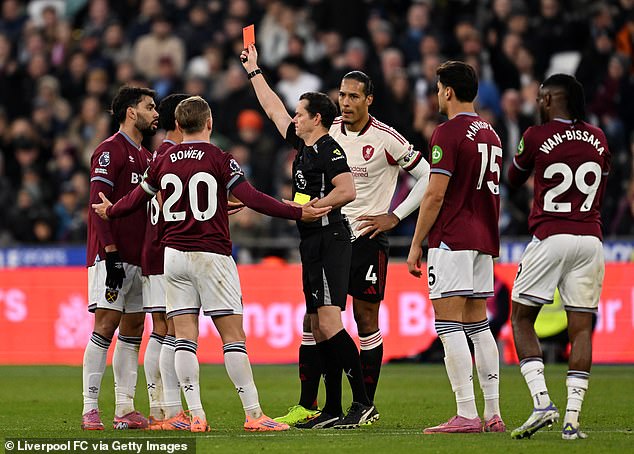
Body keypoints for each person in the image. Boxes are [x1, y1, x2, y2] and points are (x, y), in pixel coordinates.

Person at [93, 95, 329, 432]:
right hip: (211, 254)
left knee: (183, 337)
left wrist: (111, 210)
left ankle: (195, 415)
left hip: (173, 257)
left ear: (179, 124)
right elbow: (251, 197)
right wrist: (297, 211)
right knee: (233, 336)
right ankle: (253, 414)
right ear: (209, 123)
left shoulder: (163, 159)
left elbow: (136, 198)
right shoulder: (220, 158)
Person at [274, 70, 430, 426]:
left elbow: (427, 175)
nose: (345, 102)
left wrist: (395, 215)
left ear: (368, 100)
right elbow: (278, 117)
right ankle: (312, 404)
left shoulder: (386, 138)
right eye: (342, 95)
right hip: (329, 235)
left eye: (353, 96)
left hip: (366, 238)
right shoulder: (325, 132)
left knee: (364, 319)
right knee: (316, 319)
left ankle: (364, 404)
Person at [240, 44, 379, 429]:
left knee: (330, 323)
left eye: (300, 114)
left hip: (330, 239)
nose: (294, 118)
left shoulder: (328, 150)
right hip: (311, 241)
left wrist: (315, 206)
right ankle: (332, 407)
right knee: (317, 326)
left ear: (316, 118)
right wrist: (254, 70)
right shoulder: (305, 144)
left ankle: (363, 402)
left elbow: (348, 190)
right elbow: (272, 109)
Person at [507, 74, 610, 440]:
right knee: (581, 329)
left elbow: (513, 178)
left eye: (540, 98)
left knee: (521, 318)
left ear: (549, 100)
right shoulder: (598, 137)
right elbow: (603, 182)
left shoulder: (536, 135)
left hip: (551, 235)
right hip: (591, 238)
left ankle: (541, 403)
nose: (537, 103)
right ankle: (572, 422)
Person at [407, 61, 505, 434]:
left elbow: (434, 194)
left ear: (447, 91)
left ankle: (466, 412)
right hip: (483, 238)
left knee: (449, 325)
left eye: (437, 89)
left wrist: (416, 243)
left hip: (452, 238)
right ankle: (492, 413)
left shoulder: (447, 132)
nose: (436, 95)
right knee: (479, 326)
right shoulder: (491, 133)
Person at [81, 86, 158, 430]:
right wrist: (110, 252)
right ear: (131, 112)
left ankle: (124, 408)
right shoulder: (109, 151)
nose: (156, 114)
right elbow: (97, 206)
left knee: (134, 327)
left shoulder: (147, 157)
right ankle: (89, 409)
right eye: (150, 107)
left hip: (139, 257)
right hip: (111, 255)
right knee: (106, 324)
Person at [140, 93, 190, 430]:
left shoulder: (159, 153)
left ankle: (160, 410)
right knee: (169, 329)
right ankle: (170, 411)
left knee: (160, 329)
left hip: (153, 248)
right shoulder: (174, 155)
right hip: (166, 250)